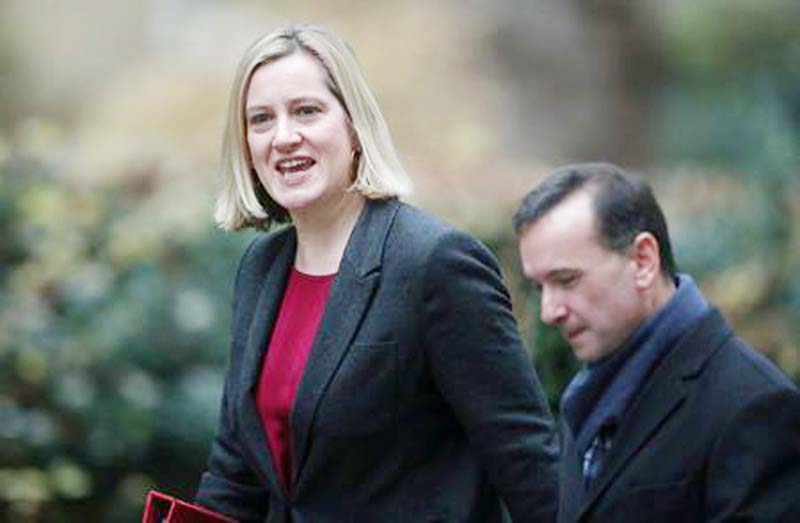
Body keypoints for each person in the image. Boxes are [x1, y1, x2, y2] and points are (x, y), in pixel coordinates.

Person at [194, 23, 559, 522]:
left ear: (354, 127)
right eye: (261, 119)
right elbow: (236, 471)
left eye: (307, 110)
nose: (283, 136)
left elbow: (527, 461)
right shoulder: (260, 269)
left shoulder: (435, 264)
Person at [513, 162, 800, 522]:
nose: (548, 312)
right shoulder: (587, 397)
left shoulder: (753, 404)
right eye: (540, 287)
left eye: (567, 279)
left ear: (644, 261)